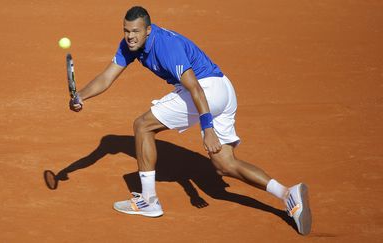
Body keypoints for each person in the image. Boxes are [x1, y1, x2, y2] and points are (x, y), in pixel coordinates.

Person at [69, 6, 312, 235]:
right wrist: (81, 95)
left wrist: (207, 129)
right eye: (126, 30)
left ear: (148, 30)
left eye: (135, 31)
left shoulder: (166, 46)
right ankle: (287, 194)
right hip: (224, 89)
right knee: (224, 164)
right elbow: (106, 77)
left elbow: (195, 88)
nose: (130, 36)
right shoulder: (128, 46)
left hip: (207, 91)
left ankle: (149, 201)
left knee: (142, 125)